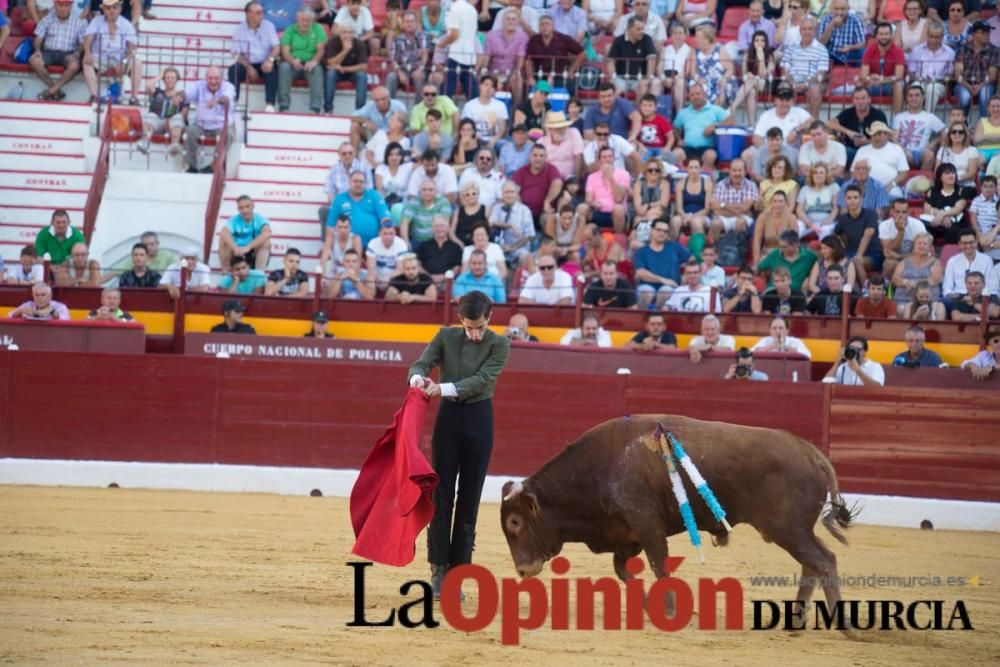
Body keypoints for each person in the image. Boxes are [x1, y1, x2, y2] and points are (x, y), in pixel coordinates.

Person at [408, 290, 511, 599]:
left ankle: (458, 573)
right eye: (468, 327)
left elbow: (481, 381)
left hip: (480, 421)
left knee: (469, 502)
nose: (475, 334)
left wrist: (442, 387)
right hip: (448, 422)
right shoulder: (446, 336)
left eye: (479, 326)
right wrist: (416, 378)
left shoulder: (500, 343)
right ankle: (438, 570)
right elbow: (422, 362)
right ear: (460, 320)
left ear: (490, 318)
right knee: (442, 497)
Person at [82, 0, 142, 106]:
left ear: (120, 9)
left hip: (120, 58)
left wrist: (124, 61)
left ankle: (134, 97)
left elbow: (131, 49)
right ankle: (95, 96)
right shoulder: (97, 21)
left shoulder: (126, 24)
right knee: (86, 61)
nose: (112, 11)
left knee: (137, 62)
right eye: (108, 8)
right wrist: (87, 52)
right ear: (104, 9)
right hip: (100, 58)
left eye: (115, 7)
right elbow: (88, 37)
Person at [177, 67, 235, 174]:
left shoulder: (228, 87)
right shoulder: (199, 85)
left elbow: (226, 98)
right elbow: (186, 93)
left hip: (222, 126)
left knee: (228, 135)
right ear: (206, 78)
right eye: (210, 78)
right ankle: (191, 166)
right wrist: (179, 96)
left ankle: (214, 166)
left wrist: (216, 100)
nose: (213, 81)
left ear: (222, 78)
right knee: (189, 131)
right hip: (201, 125)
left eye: (216, 78)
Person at [29, 0, 87, 102]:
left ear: (71, 6)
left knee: (74, 65)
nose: (63, 8)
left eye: (66, 6)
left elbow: (83, 43)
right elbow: (38, 38)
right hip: (48, 52)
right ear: (55, 5)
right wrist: (37, 50)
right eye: (60, 5)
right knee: (34, 61)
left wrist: (77, 53)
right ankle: (57, 91)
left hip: (68, 53)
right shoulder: (47, 19)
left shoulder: (78, 22)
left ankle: (51, 91)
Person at [228, 1, 280, 112]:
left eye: (262, 12)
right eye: (258, 13)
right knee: (233, 69)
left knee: (272, 70)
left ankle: (269, 104)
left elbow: (276, 47)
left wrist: (270, 60)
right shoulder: (240, 29)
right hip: (248, 63)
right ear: (248, 14)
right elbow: (236, 53)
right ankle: (233, 101)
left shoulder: (269, 26)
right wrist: (249, 67)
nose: (262, 15)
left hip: (264, 61)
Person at [634, 219, 692, 309]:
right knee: (646, 292)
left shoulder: (674, 246)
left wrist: (686, 273)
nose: (662, 233)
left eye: (665, 231)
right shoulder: (642, 251)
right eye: (659, 230)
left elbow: (692, 259)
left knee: (665, 291)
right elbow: (640, 273)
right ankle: (642, 320)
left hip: (671, 287)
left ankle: (658, 318)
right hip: (647, 285)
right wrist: (663, 280)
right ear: (651, 230)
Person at [277, 8, 325, 113]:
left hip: (310, 63)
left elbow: (321, 49)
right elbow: (285, 52)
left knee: (317, 69)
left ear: (312, 20)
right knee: (284, 67)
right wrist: (292, 61)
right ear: (297, 19)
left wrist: (314, 61)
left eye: (308, 20)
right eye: (302, 20)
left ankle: (315, 108)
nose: (305, 23)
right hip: (293, 64)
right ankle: (284, 105)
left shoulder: (318, 29)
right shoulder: (289, 30)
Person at [672, 83, 728, 170]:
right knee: (675, 153)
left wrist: (715, 126)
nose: (695, 97)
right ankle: (682, 177)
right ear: (689, 97)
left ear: (704, 95)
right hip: (687, 147)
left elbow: (731, 120)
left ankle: (703, 178)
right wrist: (679, 139)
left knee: (711, 155)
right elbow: (675, 127)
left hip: (707, 148)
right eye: (692, 95)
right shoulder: (684, 112)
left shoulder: (715, 109)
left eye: (698, 94)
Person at [524, 15, 585, 95]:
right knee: (530, 89)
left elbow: (582, 53)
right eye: (542, 25)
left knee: (570, 88)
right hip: (541, 76)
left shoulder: (563, 39)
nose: (545, 27)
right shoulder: (534, 40)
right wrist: (530, 77)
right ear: (539, 27)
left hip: (561, 76)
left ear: (553, 26)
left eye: (547, 24)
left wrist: (572, 70)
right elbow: (528, 60)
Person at [330, 170, 392, 249]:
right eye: (355, 181)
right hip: (349, 246)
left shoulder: (374, 195)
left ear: (365, 184)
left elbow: (385, 218)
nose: (358, 184)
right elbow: (330, 225)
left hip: (373, 245)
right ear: (349, 182)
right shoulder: (339, 199)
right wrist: (328, 245)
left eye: (361, 182)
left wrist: (386, 233)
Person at [781, 18, 829, 118]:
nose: (807, 31)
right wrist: (793, 83)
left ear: (815, 31)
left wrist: (806, 84)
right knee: (783, 87)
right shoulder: (791, 47)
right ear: (800, 31)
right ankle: (784, 120)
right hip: (792, 81)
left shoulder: (822, 49)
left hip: (812, 82)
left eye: (810, 29)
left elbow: (821, 73)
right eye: (804, 29)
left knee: (815, 89)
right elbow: (785, 70)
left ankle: (812, 123)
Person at [828, 87, 889, 166]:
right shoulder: (849, 112)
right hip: (851, 151)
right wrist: (848, 132)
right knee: (839, 150)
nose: (860, 102)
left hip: (872, 151)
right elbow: (830, 123)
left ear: (869, 99)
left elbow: (885, 141)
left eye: (863, 98)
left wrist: (866, 142)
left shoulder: (878, 115)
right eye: (857, 99)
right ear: (853, 100)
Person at [833, 184, 880, 283]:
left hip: (872, 255)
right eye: (849, 198)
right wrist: (842, 246)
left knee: (855, 262)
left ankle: (866, 291)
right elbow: (836, 234)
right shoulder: (843, 218)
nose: (852, 200)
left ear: (861, 198)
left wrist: (859, 255)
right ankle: (846, 292)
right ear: (845, 200)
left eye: (855, 197)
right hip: (850, 253)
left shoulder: (870, 214)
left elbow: (868, 234)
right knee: (838, 264)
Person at [892, 85, 945, 170]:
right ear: (906, 98)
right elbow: (894, 139)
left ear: (923, 98)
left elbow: (945, 133)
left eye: (917, 95)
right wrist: (904, 151)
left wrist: (933, 143)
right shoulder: (899, 117)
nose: (914, 98)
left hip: (921, 152)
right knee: (897, 155)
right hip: (902, 151)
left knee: (930, 155)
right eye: (911, 95)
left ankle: (922, 180)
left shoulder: (930, 117)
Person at [511, 143, 563, 231]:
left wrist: (547, 201)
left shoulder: (551, 169)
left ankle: (550, 243)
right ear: (530, 157)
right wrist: (522, 210)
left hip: (544, 212)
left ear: (546, 157)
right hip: (525, 213)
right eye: (535, 155)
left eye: (541, 156)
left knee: (548, 219)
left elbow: (557, 183)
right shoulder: (521, 171)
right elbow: (514, 190)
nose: (538, 158)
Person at [953, 20, 998, 119]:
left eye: (988, 31)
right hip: (964, 83)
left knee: (984, 96)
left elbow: (992, 75)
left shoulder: (994, 50)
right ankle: (962, 124)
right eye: (983, 32)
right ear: (974, 34)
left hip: (985, 84)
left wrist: (979, 86)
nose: (987, 34)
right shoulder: (962, 49)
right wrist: (969, 86)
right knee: (965, 98)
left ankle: (983, 126)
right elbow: (957, 74)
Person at [483, 9, 528, 107]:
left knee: (518, 80)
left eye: (513, 19)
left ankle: (517, 110)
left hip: (511, 72)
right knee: (484, 79)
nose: (511, 21)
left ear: (517, 22)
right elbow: (487, 56)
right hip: (494, 71)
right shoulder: (492, 35)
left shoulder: (522, 37)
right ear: (503, 21)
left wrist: (516, 73)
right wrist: (484, 71)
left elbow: (521, 58)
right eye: (508, 19)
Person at [907, 20, 955, 111]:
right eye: (931, 36)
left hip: (938, 84)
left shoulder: (949, 53)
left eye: (937, 37)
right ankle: (915, 114)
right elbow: (911, 72)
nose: (933, 40)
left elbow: (949, 75)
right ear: (927, 35)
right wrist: (919, 79)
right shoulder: (917, 50)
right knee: (916, 86)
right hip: (919, 80)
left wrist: (938, 80)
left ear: (942, 37)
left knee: (931, 88)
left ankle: (927, 117)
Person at [136, 67, 186, 156]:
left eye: (172, 78)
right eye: (167, 78)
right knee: (151, 116)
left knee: (178, 118)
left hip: (172, 125)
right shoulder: (158, 92)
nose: (170, 80)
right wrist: (161, 75)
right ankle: (145, 142)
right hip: (157, 123)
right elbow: (148, 85)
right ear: (164, 80)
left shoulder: (181, 95)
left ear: (176, 80)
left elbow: (184, 113)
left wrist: (171, 117)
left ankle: (174, 145)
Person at [853, 121, 909, 197]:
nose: (876, 138)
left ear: (886, 135)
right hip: (866, 190)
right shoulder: (862, 150)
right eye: (874, 135)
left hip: (891, 189)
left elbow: (904, 173)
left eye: (879, 134)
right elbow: (853, 172)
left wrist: (890, 185)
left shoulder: (896, 149)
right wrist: (861, 187)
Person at [924, 163, 976, 245]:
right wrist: (941, 217)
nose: (951, 175)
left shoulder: (961, 190)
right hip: (937, 221)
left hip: (955, 223)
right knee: (925, 229)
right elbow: (927, 209)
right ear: (940, 176)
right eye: (947, 173)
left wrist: (942, 214)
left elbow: (958, 209)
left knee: (953, 231)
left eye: (953, 173)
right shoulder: (933, 191)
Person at [608, 15, 659, 98]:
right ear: (629, 29)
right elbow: (611, 62)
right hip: (621, 78)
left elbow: (651, 60)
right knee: (615, 92)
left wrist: (647, 79)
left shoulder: (647, 39)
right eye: (638, 29)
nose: (641, 31)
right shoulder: (618, 40)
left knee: (643, 89)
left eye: (643, 29)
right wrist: (613, 78)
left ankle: (639, 111)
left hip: (639, 79)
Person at [860, 22, 906, 113]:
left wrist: (881, 80)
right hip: (873, 82)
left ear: (891, 35)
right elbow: (863, 75)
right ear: (876, 36)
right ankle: (861, 116)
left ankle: (897, 118)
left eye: (886, 34)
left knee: (898, 84)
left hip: (891, 83)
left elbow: (899, 76)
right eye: (881, 34)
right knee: (860, 85)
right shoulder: (869, 50)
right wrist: (869, 79)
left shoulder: (898, 51)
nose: (884, 37)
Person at [438, 0, 480, 100]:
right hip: (469, 54)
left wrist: (441, 44)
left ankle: (442, 112)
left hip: (456, 54)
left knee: (447, 91)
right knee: (471, 91)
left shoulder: (455, 8)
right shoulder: (472, 9)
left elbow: (454, 34)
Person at [323, 25, 369, 114]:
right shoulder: (332, 42)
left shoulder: (359, 43)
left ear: (353, 34)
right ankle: (328, 109)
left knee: (362, 76)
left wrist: (343, 68)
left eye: (350, 32)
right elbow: (331, 63)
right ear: (339, 34)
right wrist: (345, 50)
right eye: (344, 32)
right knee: (330, 74)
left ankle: (360, 111)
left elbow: (363, 66)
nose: (347, 35)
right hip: (336, 72)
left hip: (352, 72)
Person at [489, 180, 536, 268]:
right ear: (502, 194)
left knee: (524, 257)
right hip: (499, 248)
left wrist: (512, 248)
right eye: (506, 192)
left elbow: (528, 236)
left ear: (516, 194)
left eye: (512, 192)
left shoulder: (524, 210)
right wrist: (510, 225)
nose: (509, 195)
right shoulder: (497, 208)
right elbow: (491, 223)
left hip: (518, 248)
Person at [585, 146, 631, 234]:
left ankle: (618, 239)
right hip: (598, 211)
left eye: (610, 156)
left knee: (619, 209)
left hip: (616, 213)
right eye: (604, 157)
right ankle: (581, 240)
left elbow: (619, 199)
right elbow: (588, 199)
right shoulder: (592, 177)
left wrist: (611, 178)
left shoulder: (624, 174)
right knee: (582, 208)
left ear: (614, 159)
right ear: (599, 160)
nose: (608, 159)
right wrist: (592, 203)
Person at [219, 195, 271, 271]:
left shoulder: (259, 219)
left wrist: (248, 247)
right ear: (238, 209)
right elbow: (224, 232)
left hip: (252, 250)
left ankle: (259, 274)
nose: (245, 210)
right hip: (236, 251)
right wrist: (235, 248)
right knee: (223, 240)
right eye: (241, 208)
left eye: (247, 206)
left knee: (266, 241)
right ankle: (226, 272)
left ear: (253, 206)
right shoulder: (234, 220)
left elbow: (267, 233)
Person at [891, 232, 943, 307]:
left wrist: (914, 284)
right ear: (914, 246)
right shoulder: (904, 262)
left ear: (929, 247)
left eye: (925, 244)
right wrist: (905, 282)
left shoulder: (935, 262)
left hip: (927, 301)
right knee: (901, 310)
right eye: (919, 243)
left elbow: (934, 280)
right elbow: (895, 278)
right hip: (903, 300)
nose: (922, 246)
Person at [386, 10, 429, 98]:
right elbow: (393, 60)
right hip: (402, 69)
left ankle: (418, 109)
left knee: (420, 78)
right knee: (391, 77)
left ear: (416, 23)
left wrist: (420, 69)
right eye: (407, 22)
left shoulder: (422, 36)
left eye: (412, 21)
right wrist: (400, 73)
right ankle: (391, 106)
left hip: (417, 69)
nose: (409, 24)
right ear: (403, 24)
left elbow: (425, 54)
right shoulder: (398, 39)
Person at [402, 180, 454, 250]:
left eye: (430, 190)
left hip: (436, 241)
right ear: (420, 191)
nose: (427, 192)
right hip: (417, 241)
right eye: (424, 190)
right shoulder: (413, 203)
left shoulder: (443, 202)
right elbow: (404, 223)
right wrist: (406, 241)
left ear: (436, 191)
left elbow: (445, 224)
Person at [942, 229, 993, 300]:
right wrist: (959, 298)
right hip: (957, 297)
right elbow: (947, 287)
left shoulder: (987, 260)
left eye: (971, 242)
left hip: (979, 297)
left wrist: (976, 297)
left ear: (976, 242)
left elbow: (988, 285)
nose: (968, 246)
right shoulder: (952, 261)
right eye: (964, 243)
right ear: (959, 244)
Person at [753, 190, 798, 265]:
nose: (778, 204)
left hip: (785, 254)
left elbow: (794, 241)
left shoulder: (791, 218)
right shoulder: (763, 217)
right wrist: (756, 262)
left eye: (781, 201)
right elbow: (757, 241)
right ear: (771, 203)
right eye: (775, 201)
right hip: (767, 254)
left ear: (786, 203)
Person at [817, 0, 867, 65]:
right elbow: (821, 43)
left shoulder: (855, 20)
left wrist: (850, 47)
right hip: (830, 55)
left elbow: (862, 43)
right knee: (819, 52)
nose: (839, 12)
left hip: (849, 55)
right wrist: (831, 24)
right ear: (832, 9)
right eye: (836, 9)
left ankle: (858, 74)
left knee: (862, 52)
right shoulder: (826, 19)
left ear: (848, 9)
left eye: (842, 9)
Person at [417, 216, 463, 285]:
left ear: (448, 228)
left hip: (448, 281)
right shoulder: (424, 245)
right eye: (436, 226)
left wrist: (445, 277)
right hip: (428, 281)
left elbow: (458, 267)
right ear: (432, 229)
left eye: (442, 226)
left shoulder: (455, 247)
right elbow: (417, 264)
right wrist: (429, 277)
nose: (439, 229)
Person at [935, 122, 980, 190]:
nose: (957, 134)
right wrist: (947, 180)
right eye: (954, 132)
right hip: (945, 185)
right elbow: (937, 171)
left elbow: (972, 172)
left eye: (961, 132)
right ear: (949, 135)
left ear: (965, 135)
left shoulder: (972, 150)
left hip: (965, 185)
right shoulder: (942, 150)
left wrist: (955, 178)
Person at [366, 222, 410, 292]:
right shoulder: (373, 243)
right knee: (370, 276)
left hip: (394, 277)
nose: (388, 237)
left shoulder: (401, 244)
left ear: (395, 233)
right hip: (376, 276)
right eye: (385, 233)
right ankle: (369, 300)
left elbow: (400, 269)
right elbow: (371, 268)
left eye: (391, 233)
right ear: (380, 233)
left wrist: (387, 278)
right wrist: (378, 278)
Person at [969, 175, 1000, 261]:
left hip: (995, 229)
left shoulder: (998, 201)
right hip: (981, 230)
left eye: (991, 186)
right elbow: (973, 219)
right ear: (981, 187)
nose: (988, 189)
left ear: (995, 187)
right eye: (985, 186)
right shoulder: (976, 201)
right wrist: (978, 233)